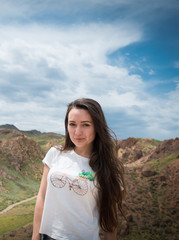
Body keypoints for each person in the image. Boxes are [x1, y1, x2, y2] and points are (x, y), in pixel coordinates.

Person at [32, 98, 125, 240]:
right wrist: (35, 236)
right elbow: (42, 197)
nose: (77, 132)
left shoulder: (107, 168)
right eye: (72, 124)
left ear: (97, 127)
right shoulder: (55, 153)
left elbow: (110, 222)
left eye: (86, 125)